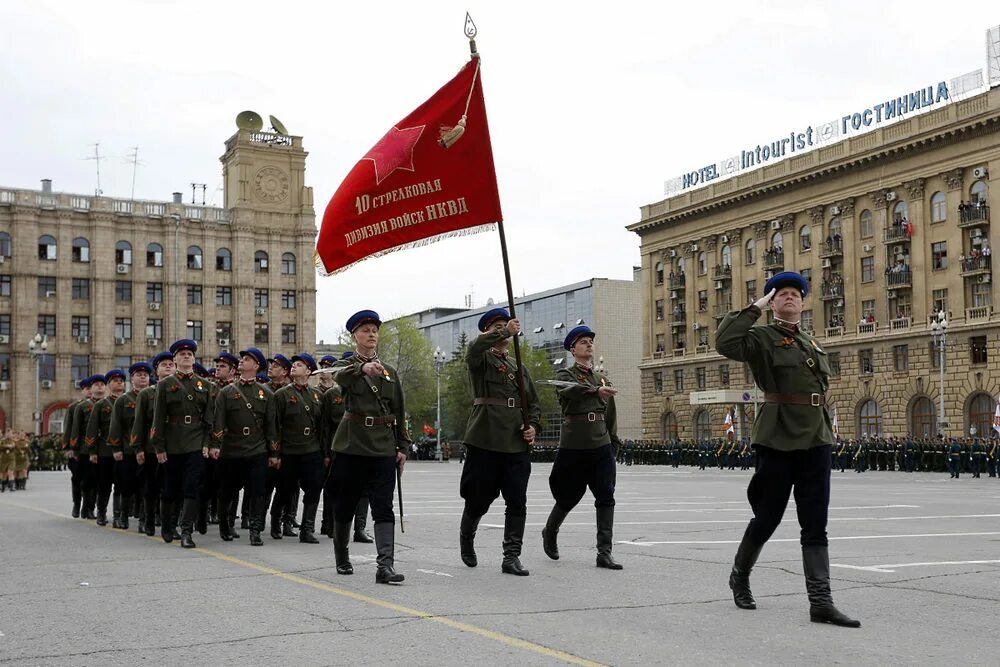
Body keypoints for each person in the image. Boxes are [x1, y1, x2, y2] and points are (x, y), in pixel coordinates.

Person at [716, 271, 860, 628]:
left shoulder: (812, 344)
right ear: (772, 302)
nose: (790, 298)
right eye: (782, 294)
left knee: (816, 522)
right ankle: (740, 574)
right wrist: (756, 307)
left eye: (796, 293)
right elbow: (725, 341)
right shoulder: (762, 337)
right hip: (778, 436)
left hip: (815, 438)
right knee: (768, 516)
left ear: (803, 302)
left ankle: (821, 602)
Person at [458, 307, 542, 576]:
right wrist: (503, 332)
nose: (503, 330)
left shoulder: (519, 366)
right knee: (479, 499)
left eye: (505, 326)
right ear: (487, 332)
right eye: (496, 327)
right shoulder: (481, 359)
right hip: (486, 439)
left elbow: (534, 404)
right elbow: (472, 349)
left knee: (517, 501)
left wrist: (533, 426)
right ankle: (467, 535)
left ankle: (511, 556)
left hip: (515, 444)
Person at [329, 310, 409, 584]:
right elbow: (340, 377)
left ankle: (384, 566)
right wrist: (362, 368)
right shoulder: (346, 366)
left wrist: (403, 446)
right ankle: (342, 556)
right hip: (352, 445)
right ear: (355, 336)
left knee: (383, 507)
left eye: (374, 329)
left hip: (383, 446)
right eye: (365, 330)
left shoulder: (390, 372)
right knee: (346, 504)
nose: (371, 334)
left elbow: (399, 409)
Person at [541, 325, 623, 570]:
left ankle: (604, 553)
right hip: (574, 445)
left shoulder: (602, 379)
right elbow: (571, 392)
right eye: (583, 342)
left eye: (590, 341)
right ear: (573, 349)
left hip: (600, 443)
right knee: (568, 496)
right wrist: (596, 390)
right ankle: (550, 530)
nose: (589, 345)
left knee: (606, 497)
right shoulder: (565, 375)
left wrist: (613, 443)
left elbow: (610, 414)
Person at [149, 339, 214, 548]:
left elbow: (209, 419)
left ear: (194, 359)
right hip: (173, 442)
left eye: (190, 354)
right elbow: (158, 418)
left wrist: (207, 442)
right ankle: (168, 525)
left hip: (195, 442)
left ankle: (187, 531)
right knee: (170, 489)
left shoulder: (205, 385)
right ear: (175, 359)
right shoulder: (165, 385)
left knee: (192, 488)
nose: (186, 356)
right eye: (182, 354)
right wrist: (158, 447)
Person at [211, 347, 278, 546]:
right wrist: (215, 445)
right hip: (232, 448)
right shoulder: (226, 392)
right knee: (227, 491)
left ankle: (255, 530)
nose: (241, 362)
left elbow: (271, 426)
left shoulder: (266, 393)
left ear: (256, 366)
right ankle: (225, 525)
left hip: (257, 449)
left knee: (257, 492)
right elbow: (218, 422)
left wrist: (274, 452)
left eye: (247, 359)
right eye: (241, 359)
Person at [273, 353, 325, 544]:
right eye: (293, 364)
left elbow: (322, 427)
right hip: (289, 449)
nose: (294, 367)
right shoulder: (281, 395)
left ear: (309, 371)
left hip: (311, 450)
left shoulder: (317, 396)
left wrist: (324, 452)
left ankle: (307, 529)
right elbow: (275, 426)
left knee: (313, 489)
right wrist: (275, 453)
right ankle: (276, 523)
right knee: (285, 489)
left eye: (299, 365)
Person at [131, 351, 175, 536]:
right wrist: (138, 447)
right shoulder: (147, 394)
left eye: (170, 363)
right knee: (150, 487)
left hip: (175, 447)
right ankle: (147, 519)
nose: (168, 366)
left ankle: (169, 524)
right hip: (151, 449)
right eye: (163, 364)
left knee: (172, 488)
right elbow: (139, 423)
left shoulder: (183, 390)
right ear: (156, 371)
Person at [108, 363, 151, 530]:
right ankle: (122, 517)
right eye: (138, 374)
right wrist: (116, 448)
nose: (142, 377)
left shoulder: (154, 396)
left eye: (145, 375)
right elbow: (116, 426)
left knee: (145, 486)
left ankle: (142, 520)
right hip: (127, 450)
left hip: (148, 449)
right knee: (126, 485)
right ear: (132, 378)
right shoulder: (123, 401)